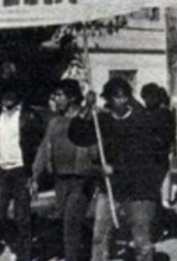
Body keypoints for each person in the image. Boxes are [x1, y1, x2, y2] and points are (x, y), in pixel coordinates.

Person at [71, 77, 166, 261]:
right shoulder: (102, 121)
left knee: (141, 241)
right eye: (116, 97)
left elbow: (144, 159)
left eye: (124, 96)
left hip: (138, 190)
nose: (121, 101)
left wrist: (116, 169)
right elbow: (77, 136)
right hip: (110, 189)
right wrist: (85, 108)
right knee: (100, 237)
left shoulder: (140, 121)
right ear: (108, 99)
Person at [31, 79, 97, 261]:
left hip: (81, 179)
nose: (56, 99)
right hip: (61, 179)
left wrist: (90, 105)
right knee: (67, 220)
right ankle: (90, 247)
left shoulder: (87, 118)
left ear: (72, 97)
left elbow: (93, 137)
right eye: (55, 96)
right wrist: (36, 176)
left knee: (70, 222)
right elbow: (44, 148)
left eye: (60, 95)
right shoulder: (55, 122)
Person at [0, 80, 44, 261]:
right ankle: (12, 241)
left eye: (11, 95)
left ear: (17, 96)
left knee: (22, 217)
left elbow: (36, 146)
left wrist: (34, 174)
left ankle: (24, 255)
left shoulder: (29, 115)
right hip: (2, 170)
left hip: (21, 170)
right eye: (4, 95)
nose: (7, 99)